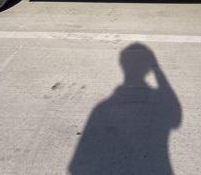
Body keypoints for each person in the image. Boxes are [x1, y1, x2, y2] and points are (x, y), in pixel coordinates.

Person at [69, 43, 182, 174]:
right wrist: (157, 69)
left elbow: (78, 163)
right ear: (147, 70)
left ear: (122, 66)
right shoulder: (158, 100)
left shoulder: (102, 108)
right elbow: (175, 118)